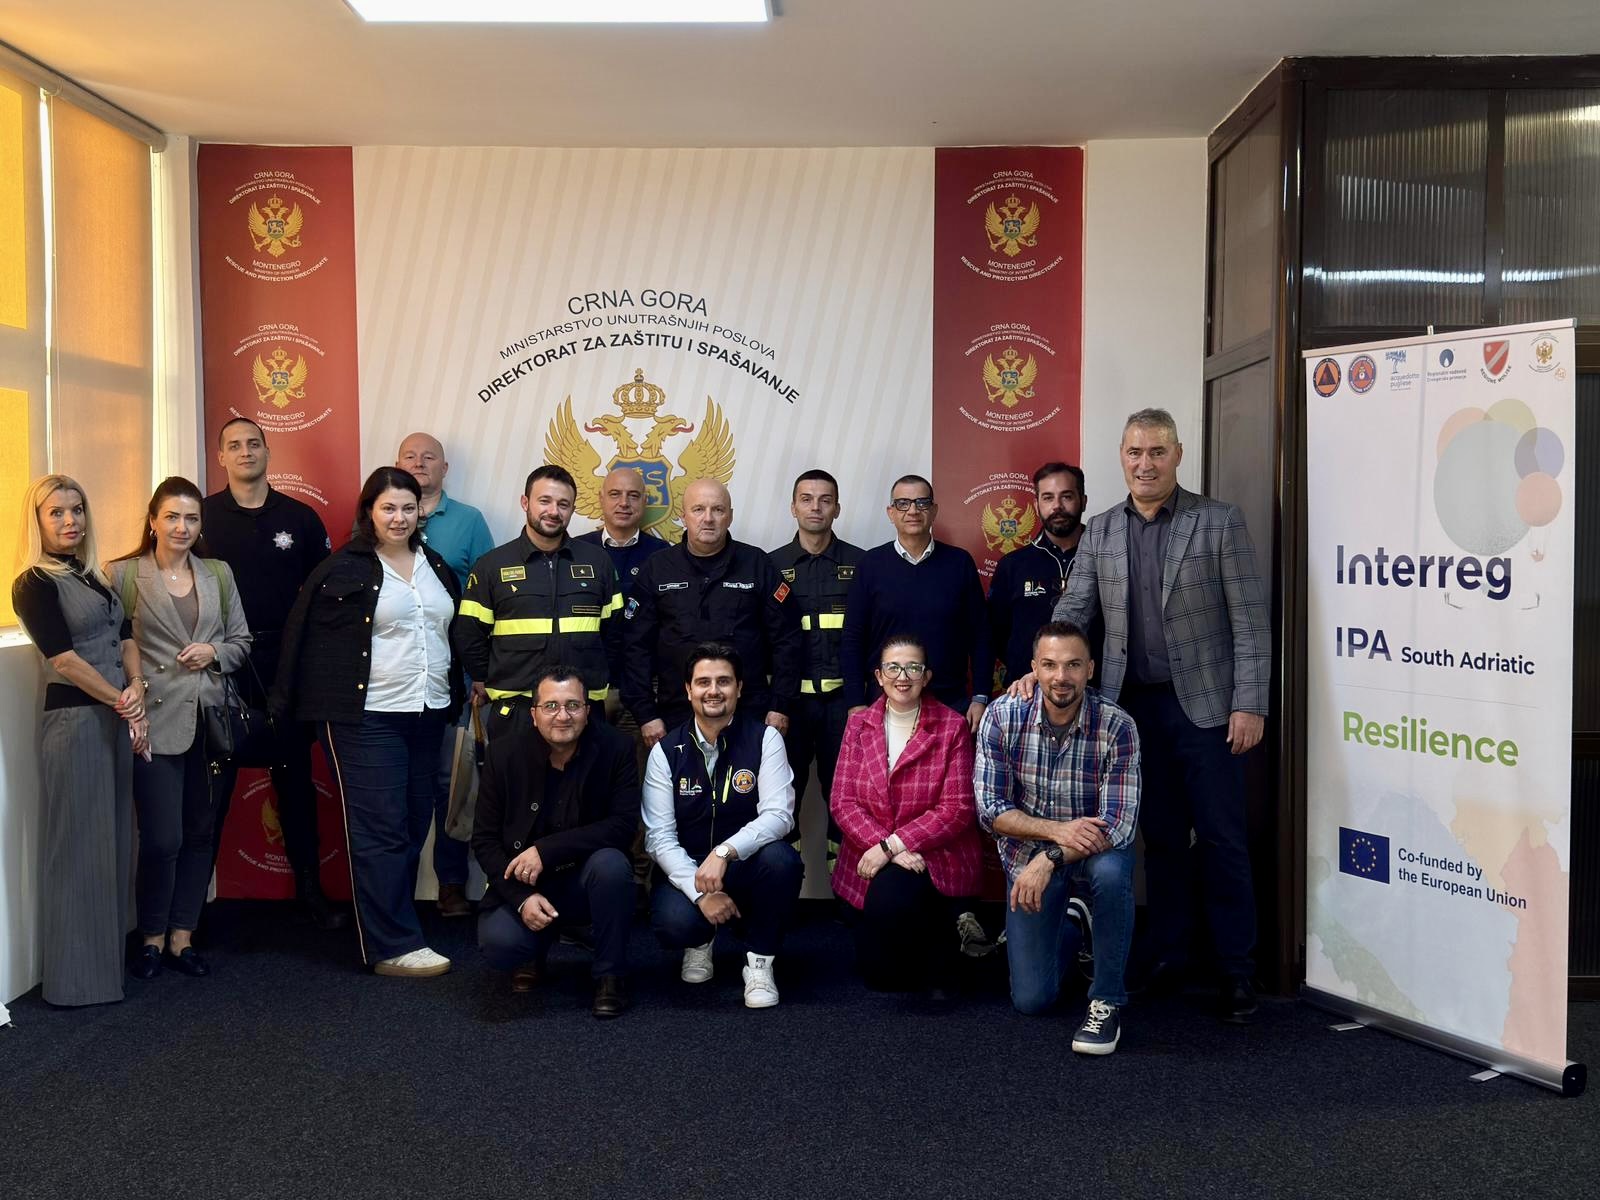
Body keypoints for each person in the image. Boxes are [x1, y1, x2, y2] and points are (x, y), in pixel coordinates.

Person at [1038, 407, 1271, 1021]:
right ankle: (1170, 955)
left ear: (1178, 455)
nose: (1145, 464)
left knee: (1222, 838)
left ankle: (1235, 969)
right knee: (1161, 840)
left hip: (1210, 710)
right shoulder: (1101, 530)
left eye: (1157, 452)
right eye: (1135, 452)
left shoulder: (1217, 520)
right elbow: (1076, 608)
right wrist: (1040, 664)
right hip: (1133, 712)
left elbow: (1250, 622)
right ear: (1122, 456)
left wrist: (1249, 703)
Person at [272, 468, 465, 977]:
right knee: (380, 830)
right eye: (388, 508)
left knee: (413, 824)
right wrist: (298, 709)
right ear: (369, 513)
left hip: (427, 713)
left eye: (408, 508)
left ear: (421, 511)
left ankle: (397, 927)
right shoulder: (342, 568)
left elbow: (449, 637)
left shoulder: (435, 566)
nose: (399, 518)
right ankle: (390, 946)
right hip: (366, 719)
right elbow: (303, 641)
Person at [202, 416, 346, 929]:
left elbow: (325, 600)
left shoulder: (300, 518)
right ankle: (192, 907)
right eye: (234, 445)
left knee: (296, 782)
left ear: (268, 452)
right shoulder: (201, 518)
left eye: (254, 444)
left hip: (286, 667)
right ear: (221, 457)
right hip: (220, 666)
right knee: (211, 788)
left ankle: (310, 891)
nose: (245, 452)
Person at [110, 477, 253, 979]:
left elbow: (242, 641)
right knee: (160, 838)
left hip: (211, 721)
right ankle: (150, 936)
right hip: (152, 722)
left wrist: (214, 651)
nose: (182, 527)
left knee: (199, 833)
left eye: (191, 518)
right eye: (171, 516)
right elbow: (111, 645)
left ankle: (182, 936)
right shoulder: (123, 575)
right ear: (152, 520)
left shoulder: (218, 574)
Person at [11, 475, 145, 1005]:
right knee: (79, 850)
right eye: (57, 512)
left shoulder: (92, 575)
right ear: (37, 522)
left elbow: (125, 635)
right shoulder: (33, 583)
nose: (70, 521)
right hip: (75, 725)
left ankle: (105, 972)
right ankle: (74, 984)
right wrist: (122, 699)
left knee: (113, 845)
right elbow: (63, 661)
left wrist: (136, 686)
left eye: (77, 509)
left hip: (111, 718)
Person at [977, 622, 1139, 1055]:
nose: (1060, 677)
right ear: (1033, 668)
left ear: (1091, 669)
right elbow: (990, 809)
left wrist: (1049, 857)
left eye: (1072, 665)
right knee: (1032, 1000)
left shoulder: (1117, 725)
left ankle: (1106, 1000)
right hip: (1027, 856)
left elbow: (1118, 824)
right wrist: (1053, 833)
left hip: (1088, 853)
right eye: (1049, 665)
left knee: (1112, 873)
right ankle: (1073, 922)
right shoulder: (1002, 715)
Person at [472, 666, 640, 1018]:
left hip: (587, 879)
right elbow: (485, 840)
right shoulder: (503, 755)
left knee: (612, 865)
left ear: (587, 711)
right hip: (527, 884)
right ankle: (535, 949)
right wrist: (521, 899)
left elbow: (623, 826)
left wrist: (545, 850)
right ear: (534, 714)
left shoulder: (617, 748)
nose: (562, 716)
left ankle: (610, 975)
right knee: (500, 945)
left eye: (573, 705)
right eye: (550, 706)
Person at [642, 643, 803, 1009]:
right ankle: (700, 941)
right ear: (688, 690)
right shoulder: (665, 751)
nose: (713, 691)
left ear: (739, 688)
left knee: (782, 861)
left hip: (744, 863)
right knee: (674, 924)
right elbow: (659, 838)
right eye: (703, 682)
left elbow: (779, 816)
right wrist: (702, 894)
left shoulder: (765, 739)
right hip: (690, 869)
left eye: (723, 681)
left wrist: (725, 852)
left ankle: (759, 963)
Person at [830, 633, 982, 994]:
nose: (903, 677)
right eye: (893, 668)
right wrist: (887, 848)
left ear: (926, 677)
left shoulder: (951, 727)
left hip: (933, 855)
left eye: (913, 668)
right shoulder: (858, 725)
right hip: (871, 855)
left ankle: (944, 932)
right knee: (880, 977)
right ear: (878, 676)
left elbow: (957, 809)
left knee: (895, 902)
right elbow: (842, 802)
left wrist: (894, 844)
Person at [397, 431, 495, 918]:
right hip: (395, 680)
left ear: (444, 468)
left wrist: (480, 672)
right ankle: (396, 888)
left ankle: (452, 883)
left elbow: (490, 599)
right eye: (410, 457)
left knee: (450, 781)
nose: (419, 463)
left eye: (429, 457)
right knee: (400, 786)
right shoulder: (381, 516)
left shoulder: (469, 521)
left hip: (454, 677)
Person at [621, 479, 801, 746]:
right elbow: (635, 647)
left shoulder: (757, 564)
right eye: (698, 509)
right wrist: (646, 714)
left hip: (750, 714)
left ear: (730, 516)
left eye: (717, 509)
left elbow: (787, 638)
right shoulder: (657, 568)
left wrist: (780, 705)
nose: (708, 518)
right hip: (675, 716)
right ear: (683, 516)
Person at [454, 465, 622, 742]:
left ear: (573, 509)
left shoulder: (598, 562)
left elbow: (615, 633)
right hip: (516, 708)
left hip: (582, 707)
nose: (554, 511)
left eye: (563, 504)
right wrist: (488, 678)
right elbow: (468, 633)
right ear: (525, 502)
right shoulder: (492, 565)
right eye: (545, 501)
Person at [574, 466, 669, 896]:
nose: (624, 503)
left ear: (645, 502)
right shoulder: (575, 551)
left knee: (641, 789)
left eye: (633, 495)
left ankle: (638, 881)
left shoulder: (663, 556)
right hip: (584, 693)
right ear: (600, 498)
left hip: (641, 694)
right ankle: (589, 882)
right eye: (615, 494)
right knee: (586, 786)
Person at [839, 475, 991, 732]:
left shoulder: (959, 563)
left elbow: (981, 635)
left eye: (922, 503)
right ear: (891, 512)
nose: (912, 510)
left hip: (950, 703)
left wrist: (980, 696)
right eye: (903, 503)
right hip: (885, 703)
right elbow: (853, 637)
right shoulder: (870, 565)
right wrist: (855, 702)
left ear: (934, 511)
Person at [768, 469, 863, 866]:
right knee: (781, 796)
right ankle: (783, 884)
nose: (816, 508)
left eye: (825, 500)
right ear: (793, 508)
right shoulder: (771, 566)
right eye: (806, 499)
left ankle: (847, 885)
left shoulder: (862, 563)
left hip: (845, 705)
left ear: (837, 509)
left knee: (847, 797)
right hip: (788, 707)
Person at [988, 462, 1097, 688]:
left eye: (1067, 496)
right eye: (1048, 498)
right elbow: (996, 635)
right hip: (1026, 693)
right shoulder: (1012, 566)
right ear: (1036, 505)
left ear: (1083, 501)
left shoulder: (1106, 561)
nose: (1057, 506)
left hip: (1096, 692)